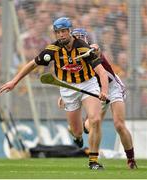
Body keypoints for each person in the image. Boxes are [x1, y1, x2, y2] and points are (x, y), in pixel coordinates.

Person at [0, 17, 109, 170]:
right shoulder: (53, 50)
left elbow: (102, 73)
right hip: (67, 88)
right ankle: (77, 132)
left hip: (88, 84)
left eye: (64, 31)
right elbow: (32, 64)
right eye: (58, 32)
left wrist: (103, 91)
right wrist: (14, 81)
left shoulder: (83, 48)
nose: (61, 35)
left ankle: (93, 161)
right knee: (77, 132)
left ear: (70, 31)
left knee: (95, 120)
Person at [58, 28, 137, 169]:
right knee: (91, 125)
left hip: (112, 88)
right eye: (76, 38)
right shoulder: (73, 58)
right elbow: (73, 78)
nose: (79, 41)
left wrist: (93, 49)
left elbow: (96, 49)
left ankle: (131, 159)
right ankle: (80, 130)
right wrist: (63, 95)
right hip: (95, 90)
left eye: (82, 38)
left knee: (119, 124)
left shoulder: (91, 49)